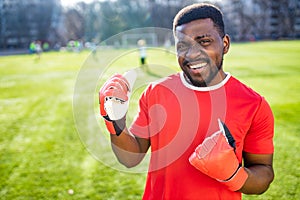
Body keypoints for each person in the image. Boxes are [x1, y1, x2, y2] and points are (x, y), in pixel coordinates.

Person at [99, 3, 274, 200]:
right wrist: (116, 122)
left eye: (204, 41)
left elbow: (264, 174)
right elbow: (130, 158)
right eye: (183, 46)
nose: (191, 53)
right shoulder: (156, 92)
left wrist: (234, 175)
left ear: (225, 44)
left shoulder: (253, 104)